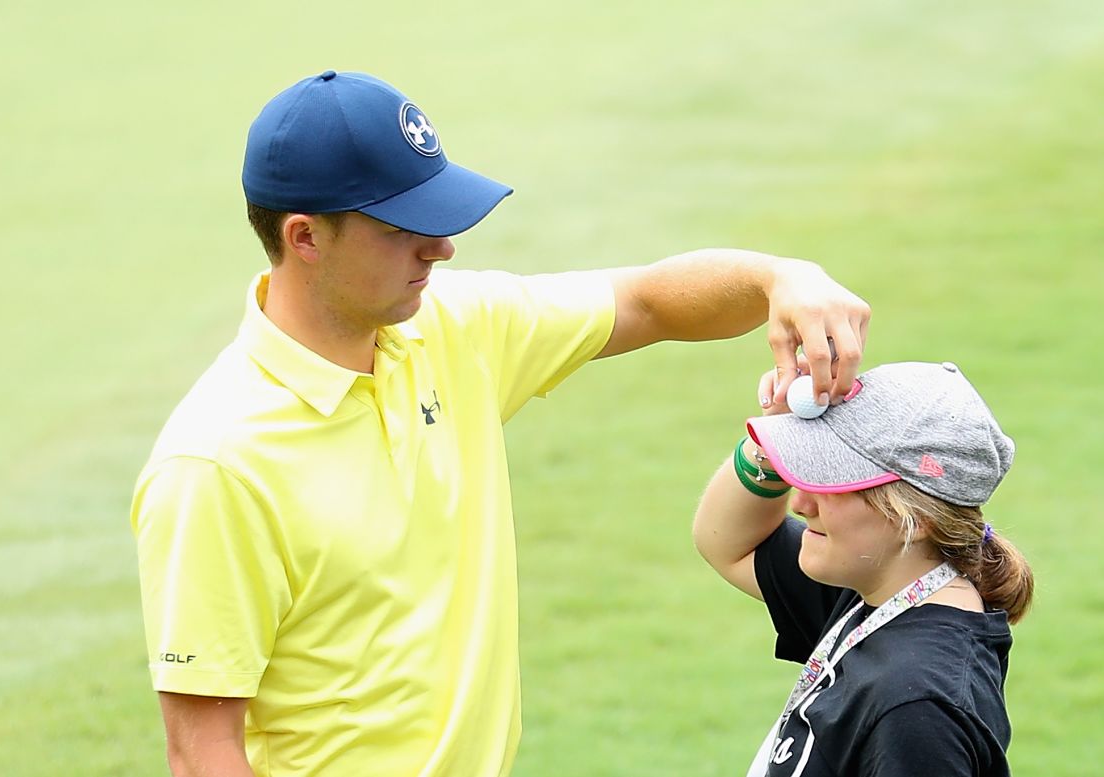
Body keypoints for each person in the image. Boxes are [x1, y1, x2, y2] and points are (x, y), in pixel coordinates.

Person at [130, 69, 871, 777]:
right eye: (402, 228)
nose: (442, 247)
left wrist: (783, 277)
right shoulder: (216, 463)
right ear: (305, 236)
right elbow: (202, 748)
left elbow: (649, 301)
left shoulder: (450, 326)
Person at [693, 360, 1034, 777]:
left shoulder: (919, 708)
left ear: (916, 516)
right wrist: (772, 439)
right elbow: (727, 541)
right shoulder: (872, 591)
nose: (800, 502)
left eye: (835, 482)